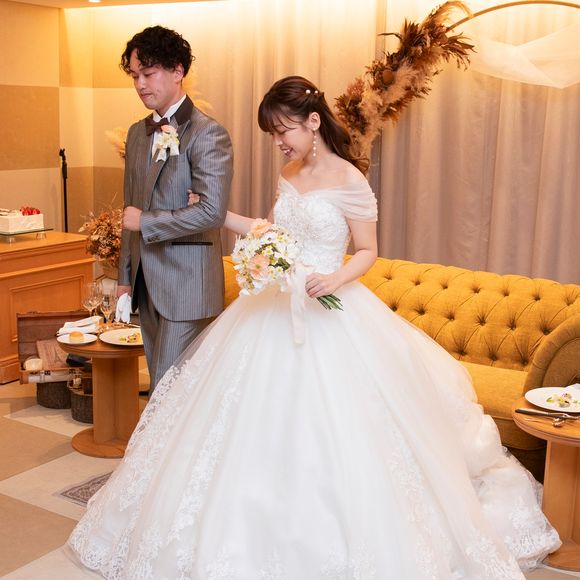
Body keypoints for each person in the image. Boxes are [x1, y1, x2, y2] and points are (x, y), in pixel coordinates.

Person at [67, 76, 560, 578]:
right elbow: (272, 233)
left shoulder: (350, 180)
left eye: (284, 131)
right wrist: (218, 217)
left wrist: (334, 278)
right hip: (272, 310)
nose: (279, 143)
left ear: (313, 122)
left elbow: (368, 250)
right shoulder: (288, 173)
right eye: (273, 135)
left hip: (329, 307)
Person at [116, 25, 233, 392]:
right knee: (162, 386)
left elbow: (212, 211)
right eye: (135, 76)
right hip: (146, 283)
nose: (140, 84)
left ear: (178, 71)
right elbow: (129, 211)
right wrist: (124, 279)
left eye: (148, 74)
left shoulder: (207, 132)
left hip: (187, 285)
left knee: (170, 393)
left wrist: (146, 221)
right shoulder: (137, 133)